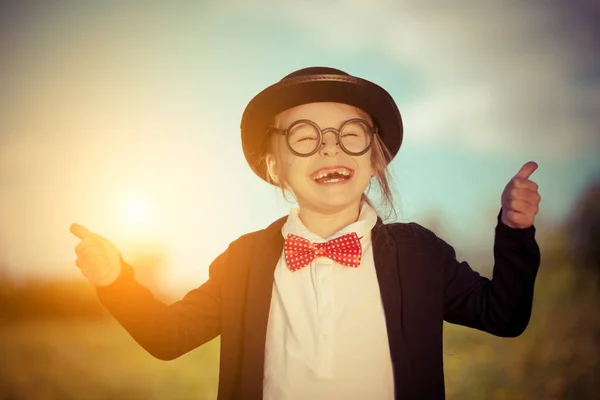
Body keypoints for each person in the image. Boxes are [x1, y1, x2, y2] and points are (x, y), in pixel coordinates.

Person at [69, 67, 542, 400]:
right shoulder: (245, 260)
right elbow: (167, 337)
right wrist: (116, 281)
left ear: (375, 157)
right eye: (303, 136)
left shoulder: (419, 255)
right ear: (274, 165)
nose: (328, 149)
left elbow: (504, 314)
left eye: (350, 134)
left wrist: (515, 233)